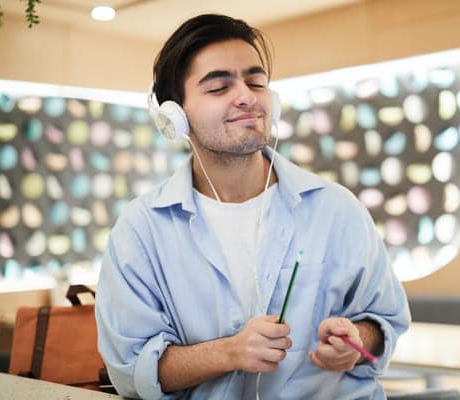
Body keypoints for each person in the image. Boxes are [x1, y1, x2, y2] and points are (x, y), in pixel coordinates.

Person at [95, 13, 410, 400]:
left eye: (256, 82)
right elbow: (132, 371)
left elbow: (384, 323)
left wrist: (356, 341)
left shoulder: (337, 209)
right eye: (218, 87)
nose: (246, 96)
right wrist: (229, 352)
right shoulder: (140, 229)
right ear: (174, 117)